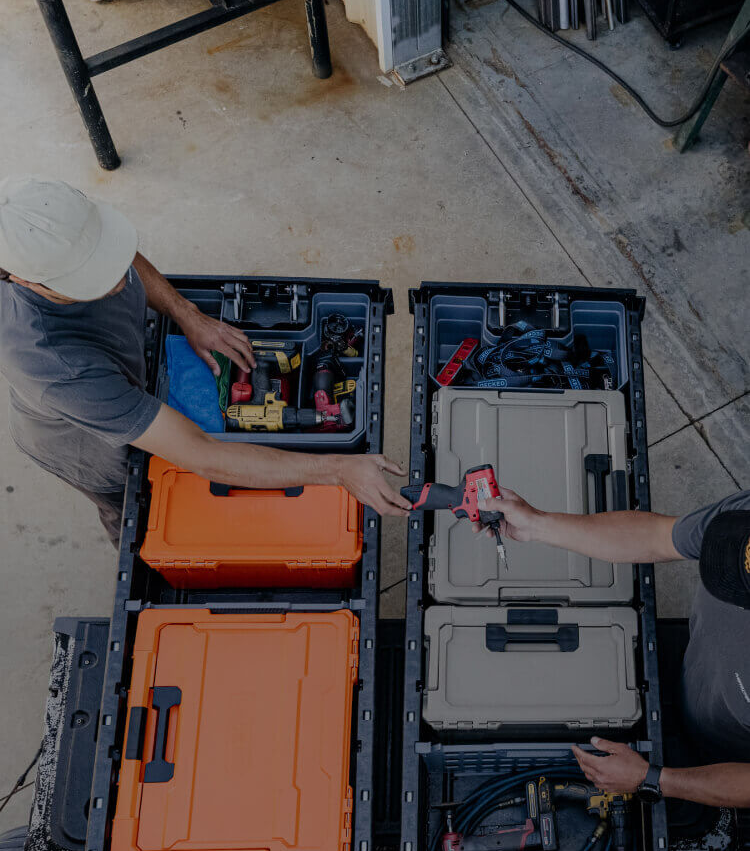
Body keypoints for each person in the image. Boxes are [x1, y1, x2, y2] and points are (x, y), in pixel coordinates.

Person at [0, 176, 411, 545]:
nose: (117, 278)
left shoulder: (49, 222)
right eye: (90, 277)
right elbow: (204, 455)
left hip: (118, 365)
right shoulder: (55, 367)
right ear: (22, 279)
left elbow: (121, 257)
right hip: (87, 442)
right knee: (133, 508)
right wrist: (338, 470)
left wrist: (186, 313)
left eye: (104, 254)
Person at [480, 486, 750, 809]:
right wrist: (536, 524)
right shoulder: (742, 520)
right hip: (696, 672)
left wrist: (654, 779)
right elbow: (657, 536)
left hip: (722, 762)